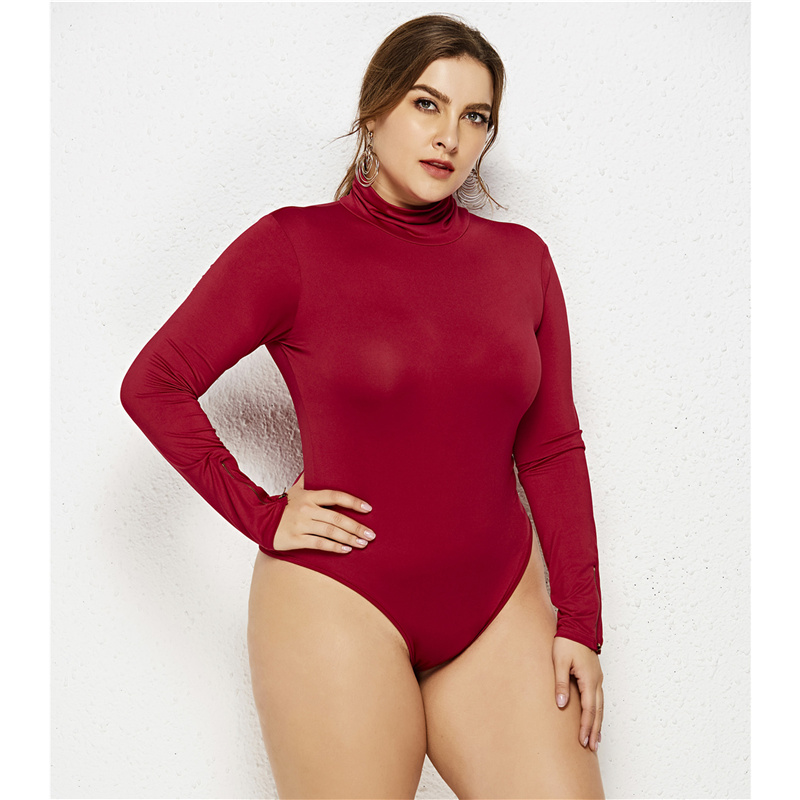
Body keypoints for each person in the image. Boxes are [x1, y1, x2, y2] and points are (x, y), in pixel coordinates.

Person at [120, 12, 606, 800]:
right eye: (426, 103)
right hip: (339, 600)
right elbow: (154, 382)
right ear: (374, 110)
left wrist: (581, 622)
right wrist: (259, 513)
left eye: (475, 116)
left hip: (496, 603)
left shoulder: (522, 260)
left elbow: (550, 448)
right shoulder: (292, 247)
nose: (449, 135)